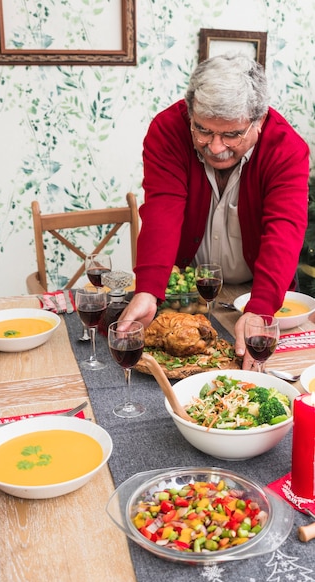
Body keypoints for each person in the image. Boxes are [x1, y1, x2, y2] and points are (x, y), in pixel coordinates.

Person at [122, 54, 310, 368]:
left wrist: (260, 308)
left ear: (259, 121)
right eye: (203, 130)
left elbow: (285, 228)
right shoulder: (168, 130)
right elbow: (161, 211)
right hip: (190, 293)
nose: (216, 147)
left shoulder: (286, 149)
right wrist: (148, 291)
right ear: (191, 112)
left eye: (232, 134)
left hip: (261, 292)